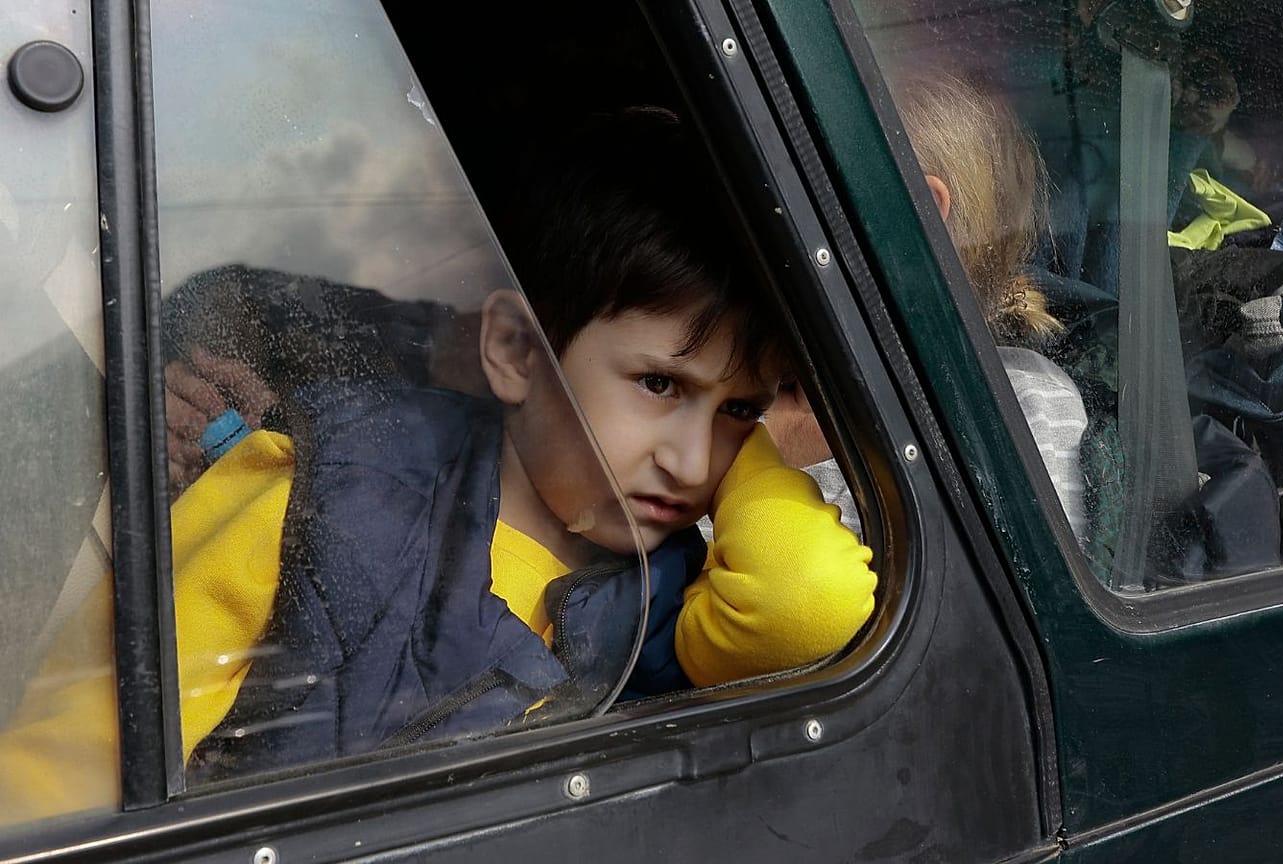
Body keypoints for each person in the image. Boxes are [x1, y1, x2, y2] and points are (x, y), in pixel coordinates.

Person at [0, 107, 877, 820]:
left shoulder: (673, 593)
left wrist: (745, 451)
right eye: (657, 383)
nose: (693, 465)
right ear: (516, 351)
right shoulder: (315, 489)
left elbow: (811, 602)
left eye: (737, 409)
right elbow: (81, 765)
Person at [768, 71, 1089, 539]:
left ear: (915, 207)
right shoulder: (732, 369)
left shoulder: (1017, 413)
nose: (776, 204)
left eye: (808, 176)